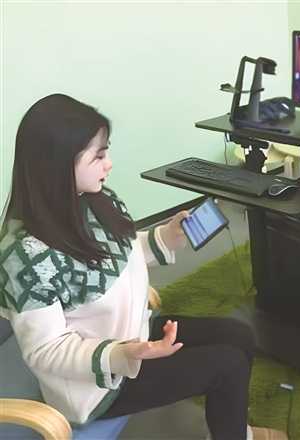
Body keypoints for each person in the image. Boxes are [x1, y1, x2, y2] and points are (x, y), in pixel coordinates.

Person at [0, 94, 285, 440]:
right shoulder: (26, 257)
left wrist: (166, 236)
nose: (108, 165)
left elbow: (121, 251)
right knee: (227, 365)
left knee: (239, 335)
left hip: (133, 334)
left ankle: (233, 430)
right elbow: (47, 351)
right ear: (57, 164)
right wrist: (122, 354)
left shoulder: (95, 200)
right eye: (98, 156)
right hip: (98, 384)